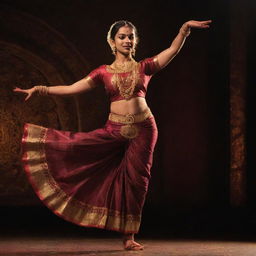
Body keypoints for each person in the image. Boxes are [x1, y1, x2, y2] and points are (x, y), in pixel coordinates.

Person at [14, 19, 211, 250]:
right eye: (122, 37)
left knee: (137, 182)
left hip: (144, 129)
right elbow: (71, 89)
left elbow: (171, 51)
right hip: (114, 130)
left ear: (135, 41)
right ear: (112, 41)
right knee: (79, 148)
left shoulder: (144, 67)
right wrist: (40, 89)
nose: (127, 40)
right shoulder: (103, 72)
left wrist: (183, 31)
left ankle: (129, 237)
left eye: (131, 37)